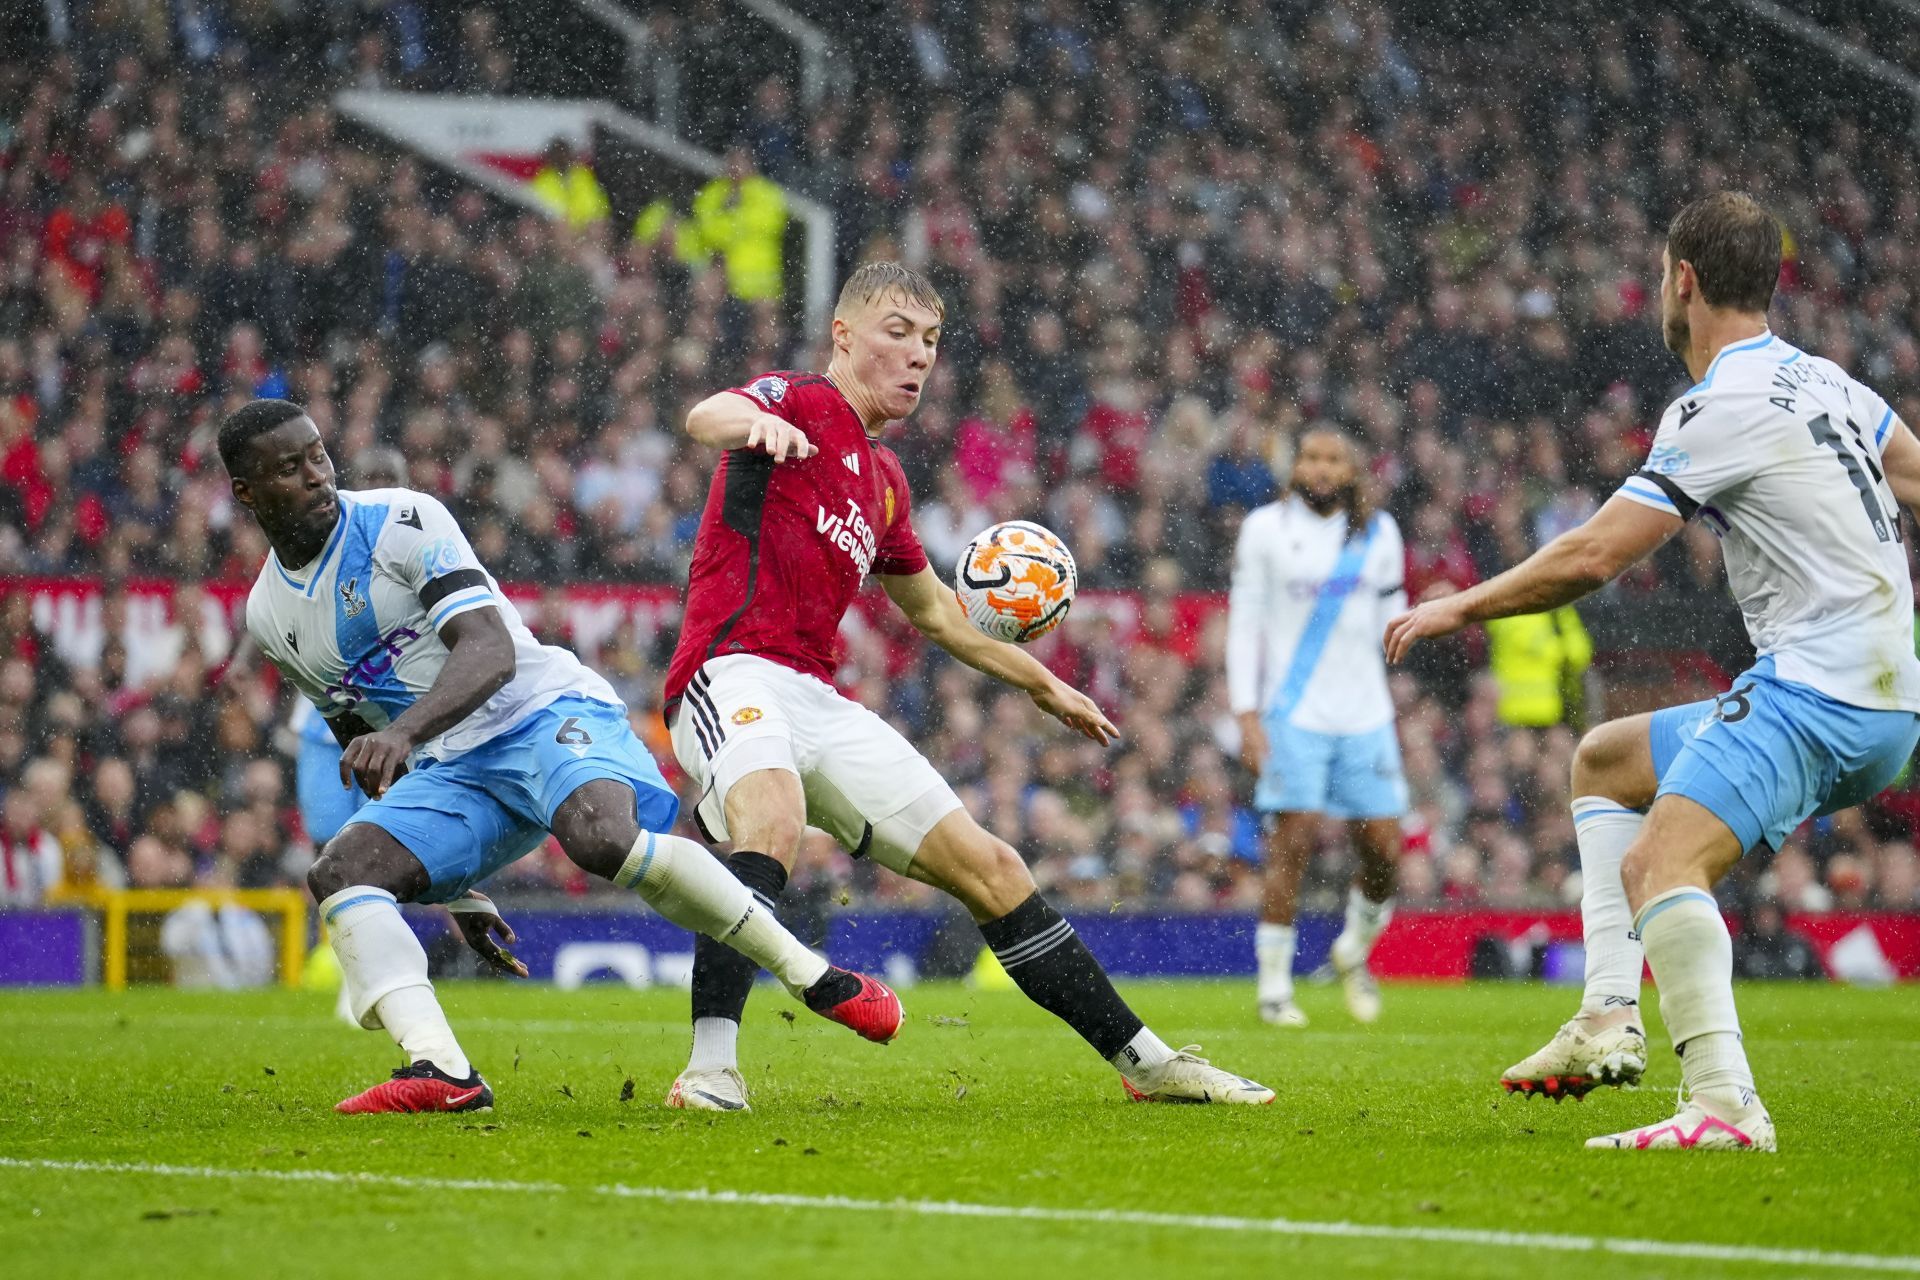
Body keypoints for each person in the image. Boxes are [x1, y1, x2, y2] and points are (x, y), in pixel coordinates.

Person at [661, 261, 1272, 1110]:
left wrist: (1041, 684)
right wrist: (756, 429)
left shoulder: (884, 486)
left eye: (932, 342)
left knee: (991, 865)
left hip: (814, 695)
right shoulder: (798, 401)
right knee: (773, 814)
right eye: (898, 333)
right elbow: (706, 413)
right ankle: (710, 1068)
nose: (919, 357)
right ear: (843, 335)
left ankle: (1149, 1063)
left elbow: (942, 616)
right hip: (727, 673)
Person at [1387, 193, 1920, 1152]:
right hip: (1885, 704)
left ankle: (1722, 1102)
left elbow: (1595, 556)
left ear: (1683, 279)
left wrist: (1458, 605)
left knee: (1659, 864)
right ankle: (1604, 1016)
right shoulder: (1833, 384)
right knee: (1607, 760)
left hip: (1817, 696)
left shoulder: (1719, 404)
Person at [220, 398, 901, 1115]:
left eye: (318, 455)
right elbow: (367, 739)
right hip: (455, 768)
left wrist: (403, 735)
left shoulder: (398, 521)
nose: (317, 476)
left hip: (543, 711)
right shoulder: (269, 615)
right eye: (290, 469)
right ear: (246, 491)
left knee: (602, 838)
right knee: (339, 873)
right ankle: (444, 1071)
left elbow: (489, 651)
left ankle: (816, 978)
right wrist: (455, 888)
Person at [1226, 427, 1407, 1028]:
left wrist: (1425, 616)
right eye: (1310, 457)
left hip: (1366, 714)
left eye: (1333, 459)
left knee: (1383, 850)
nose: (1321, 469)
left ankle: (1352, 951)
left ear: (1352, 470)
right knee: (1291, 845)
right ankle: (1274, 987)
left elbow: (1393, 622)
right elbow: (1244, 622)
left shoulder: (1379, 533)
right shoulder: (1264, 530)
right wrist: (1246, 713)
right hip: (1292, 712)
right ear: (1294, 465)